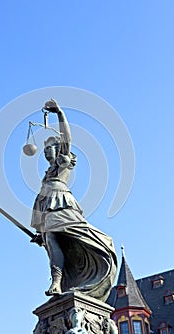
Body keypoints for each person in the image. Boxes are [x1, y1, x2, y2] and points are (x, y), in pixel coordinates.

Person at [31, 99, 117, 301]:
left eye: (49, 148)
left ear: (58, 149)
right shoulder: (47, 173)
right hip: (46, 206)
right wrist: (39, 233)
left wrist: (59, 114)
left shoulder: (63, 161)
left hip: (61, 202)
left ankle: (99, 248)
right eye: (44, 150)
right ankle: (57, 282)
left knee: (66, 235)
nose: (45, 152)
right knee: (51, 239)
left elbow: (66, 137)